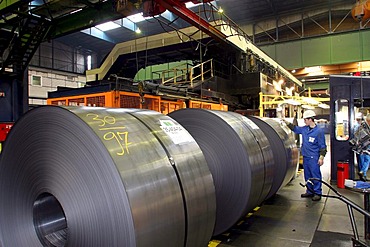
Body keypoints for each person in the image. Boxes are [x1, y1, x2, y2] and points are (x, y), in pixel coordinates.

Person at [283, 110, 327, 201]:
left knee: (315, 175)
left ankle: (317, 193)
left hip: (314, 157)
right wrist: (286, 122)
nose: (304, 121)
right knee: (307, 175)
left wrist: (321, 158)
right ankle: (310, 191)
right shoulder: (304, 129)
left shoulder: (318, 131)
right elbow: (295, 129)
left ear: (311, 119)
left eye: (305, 119)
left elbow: (323, 146)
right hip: (306, 156)